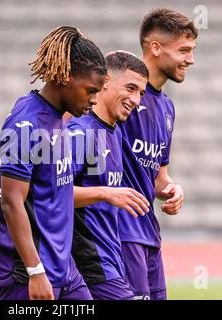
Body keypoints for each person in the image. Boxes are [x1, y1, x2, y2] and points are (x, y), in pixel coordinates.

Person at [0, 26, 107, 300]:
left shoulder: (59, 118)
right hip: (27, 271)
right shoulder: (26, 123)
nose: (95, 99)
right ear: (64, 77)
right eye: (90, 90)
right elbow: (11, 202)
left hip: (63, 269)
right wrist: (35, 271)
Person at [118, 8, 198, 300]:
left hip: (149, 234)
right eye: (184, 50)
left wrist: (172, 189)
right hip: (120, 234)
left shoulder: (167, 107)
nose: (190, 59)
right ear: (155, 47)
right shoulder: (119, 97)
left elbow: (158, 177)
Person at [69, 51, 150, 300]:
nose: (136, 100)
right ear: (105, 83)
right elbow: (52, 193)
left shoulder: (115, 132)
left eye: (141, 93)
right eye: (130, 88)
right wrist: (106, 193)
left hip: (113, 259)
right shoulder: (79, 132)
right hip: (89, 263)